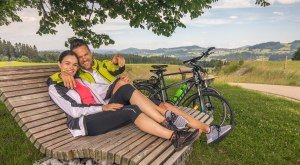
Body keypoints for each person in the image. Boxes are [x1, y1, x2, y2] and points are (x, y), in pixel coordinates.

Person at [52, 38, 232, 144]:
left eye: (85, 55)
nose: (83, 59)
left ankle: (209, 130)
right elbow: (56, 81)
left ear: (90, 53)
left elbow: (114, 69)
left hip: (123, 97)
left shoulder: (99, 64)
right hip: (112, 104)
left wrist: (117, 64)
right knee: (132, 92)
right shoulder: (76, 76)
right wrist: (62, 73)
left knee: (165, 105)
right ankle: (170, 122)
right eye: (78, 58)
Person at [48, 50, 200, 151]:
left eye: (74, 65)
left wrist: (119, 83)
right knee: (131, 110)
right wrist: (102, 108)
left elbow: (102, 90)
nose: (71, 68)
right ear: (59, 65)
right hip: (84, 122)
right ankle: (175, 136)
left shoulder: (80, 81)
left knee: (126, 89)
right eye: (67, 64)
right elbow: (74, 110)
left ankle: (167, 122)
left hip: (99, 112)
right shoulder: (56, 87)